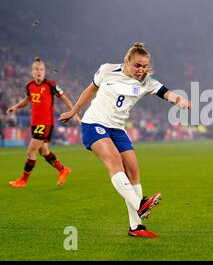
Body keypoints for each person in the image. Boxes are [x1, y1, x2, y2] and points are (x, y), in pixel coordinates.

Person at [59, 42, 191, 238]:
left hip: (117, 129)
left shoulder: (147, 82)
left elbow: (166, 92)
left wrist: (180, 101)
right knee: (114, 161)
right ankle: (140, 205)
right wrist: (74, 110)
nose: (141, 70)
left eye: (145, 66)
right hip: (94, 123)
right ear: (127, 61)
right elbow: (91, 89)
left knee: (133, 170)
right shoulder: (107, 70)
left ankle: (136, 227)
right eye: (137, 65)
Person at [7, 57, 81, 188]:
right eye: (36, 69)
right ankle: (63, 169)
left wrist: (73, 112)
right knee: (44, 152)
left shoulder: (50, 85)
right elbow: (27, 100)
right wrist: (16, 107)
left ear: (45, 71)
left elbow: (64, 97)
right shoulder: (30, 86)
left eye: (41, 69)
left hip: (45, 123)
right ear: (32, 71)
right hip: (34, 123)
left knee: (30, 151)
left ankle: (23, 180)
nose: (39, 72)